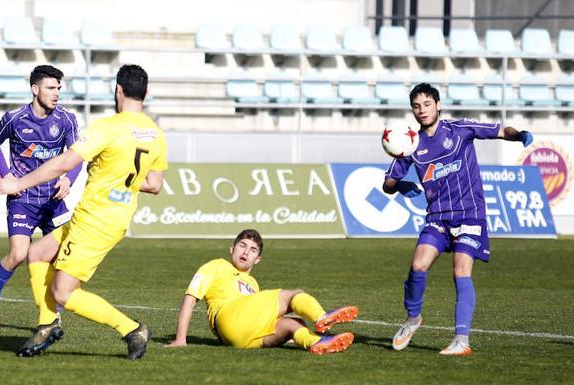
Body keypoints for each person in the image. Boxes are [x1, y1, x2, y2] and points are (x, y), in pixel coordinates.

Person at [0, 64, 167, 360]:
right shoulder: (156, 134)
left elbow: (62, 164)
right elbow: (154, 184)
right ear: (145, 93)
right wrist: (113, 174)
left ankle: (132, 329)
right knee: (37, 252)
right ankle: (46, 325)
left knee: (63, 293)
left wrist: (17, 182)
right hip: (110, 217)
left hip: (95, 222)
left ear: (118, 90)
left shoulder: (108, 127)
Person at [383, 83, 534, 356]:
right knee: (418, 265)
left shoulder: (459, 129)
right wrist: (399, 186)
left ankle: (461, 341)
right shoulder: (410, 144)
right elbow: (388, 182)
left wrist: (519, 135)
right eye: (417, 106)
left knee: (461, 271)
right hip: (438, 216)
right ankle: (412, 318)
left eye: (427, 104)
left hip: (470, 214)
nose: (422, 110)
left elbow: (500, 130)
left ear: (438, 105)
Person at [0, 65, 82, 333]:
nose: (56, 93)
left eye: (59, 88)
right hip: (23, 199)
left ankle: (51, 313)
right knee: (18, 254)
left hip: (53, 200)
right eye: (51, 88)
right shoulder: (15, 118)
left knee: (63, 258)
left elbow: (77, 156)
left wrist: (68, 178)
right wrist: (8, 177)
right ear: (35, 89)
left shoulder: (67, 120)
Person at [167, 229, 359, 355]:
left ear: (257, 259)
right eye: (242, 246)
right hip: (226, 316)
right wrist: (180, 339)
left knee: (293, 324)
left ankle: (316, 341)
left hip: (239, 340)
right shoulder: (216, 265)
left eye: (252, 250)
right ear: (232, 248)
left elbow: (256, 317)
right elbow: (189, 300)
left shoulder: (252, 283)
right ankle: (321, 316)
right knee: (293, 295)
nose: (245, 252)